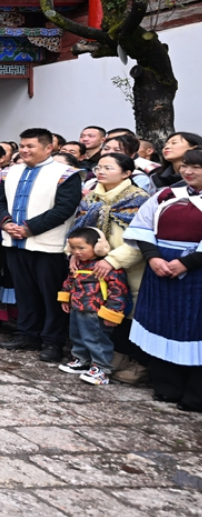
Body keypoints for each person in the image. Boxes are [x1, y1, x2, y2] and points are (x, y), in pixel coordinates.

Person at [0, 128, 83, 362]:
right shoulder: (10, 171)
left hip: (47, 245)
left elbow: (65, 208)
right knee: (24, 292)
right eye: (22, 145)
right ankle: (27, 334)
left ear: (48, 147)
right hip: (14, 242)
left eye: (30, 146)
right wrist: (6, 222)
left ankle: (53, 342)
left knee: (51, 296)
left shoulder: (66, 174)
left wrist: (29, 228)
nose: (24, 150)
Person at [124, 149, 202, 411]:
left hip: (197, 271)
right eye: (185, 166)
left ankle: (196, 395)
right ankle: (167, 387)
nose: (187, 171)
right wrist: (153, 257)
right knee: (162, 322)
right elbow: (142, 227)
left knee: (195, 326)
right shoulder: (166, 194)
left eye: (196, 167)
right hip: (160, 267)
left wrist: (187, 262)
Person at [69, 152, 150, 384]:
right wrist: (72, 253)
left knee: (126, 313)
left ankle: (132, 363)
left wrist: (112, 260)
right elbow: (78, 230)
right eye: (99, 168)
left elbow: (142, 240)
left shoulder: (140, 200)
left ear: (127, 173)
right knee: (95, 316)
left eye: (108, 168)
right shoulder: (92, 198)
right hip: (91, 268)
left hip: (127, 266)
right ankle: (102, 359)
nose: (101, 172)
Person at [57, 227, 131, 386]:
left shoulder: (107, 267)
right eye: (73, 248)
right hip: (77, 307)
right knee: (77, 335)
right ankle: (82, 360)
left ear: (97, 247)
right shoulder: (77, 264)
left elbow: (118, 291)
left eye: (81, 248)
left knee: (96, 339)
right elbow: (69, 282)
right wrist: (65, 298)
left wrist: (113, 312)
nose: (76, 252)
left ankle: (102, 368)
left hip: (96, 311)